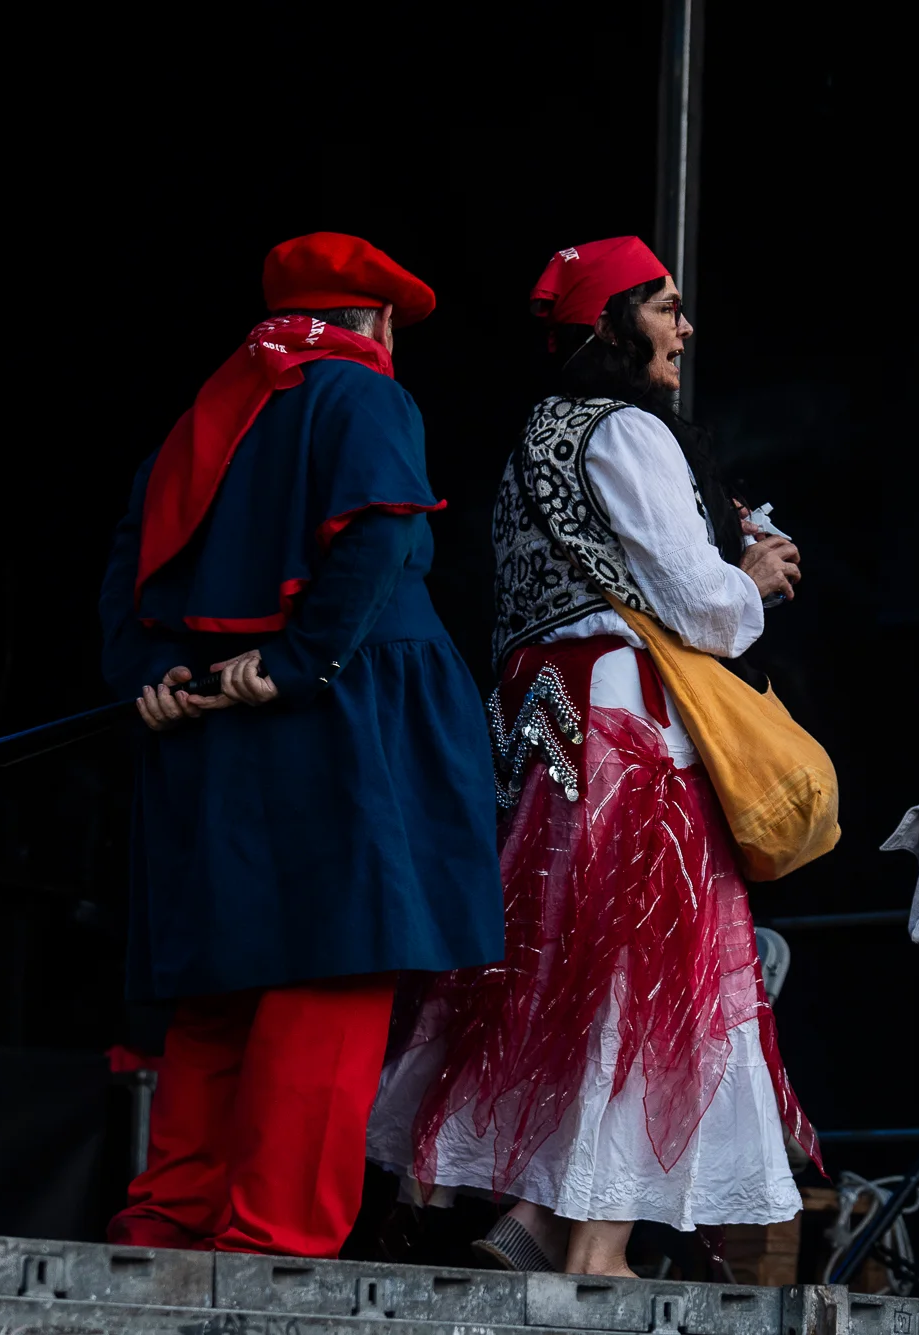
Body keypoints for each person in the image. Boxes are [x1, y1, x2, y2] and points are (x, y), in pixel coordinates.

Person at [365, 237, 819, 1278]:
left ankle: (531, 1221)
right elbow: (700, 607)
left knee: (563, 962)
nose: (683, 328)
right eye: (664, 308)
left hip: (549, 723)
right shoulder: (626, 430)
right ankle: (599, 1243)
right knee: (644, 971)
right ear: (614, 325)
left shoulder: (538, 438)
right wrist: (750, 576)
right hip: (629, 731)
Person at [99, 232, 505, 1257]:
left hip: (215, 726)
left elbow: (129, 565)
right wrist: (300, 657)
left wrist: (147, 674)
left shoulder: (205, 412)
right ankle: (270, 1243)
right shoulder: (361, 392)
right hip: (341, 716)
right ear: (374, 322)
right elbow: (377, 532)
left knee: (222, 983)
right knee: (330, 973)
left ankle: (169, 1222)